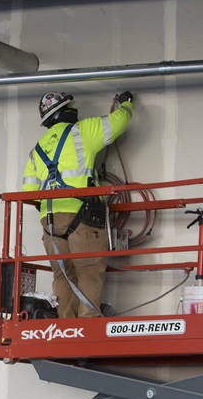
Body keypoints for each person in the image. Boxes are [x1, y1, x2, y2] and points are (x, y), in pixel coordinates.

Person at [22, 90, 134, 318]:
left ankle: (65, 330)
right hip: (83, 217)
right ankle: (86, 330)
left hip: (50, 223)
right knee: (89, 272)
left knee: (63, 276)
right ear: (65, 111)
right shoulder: (81, 132)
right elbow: (120, 121)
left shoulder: (37, 149)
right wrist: (126, 104)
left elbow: (29, 192)